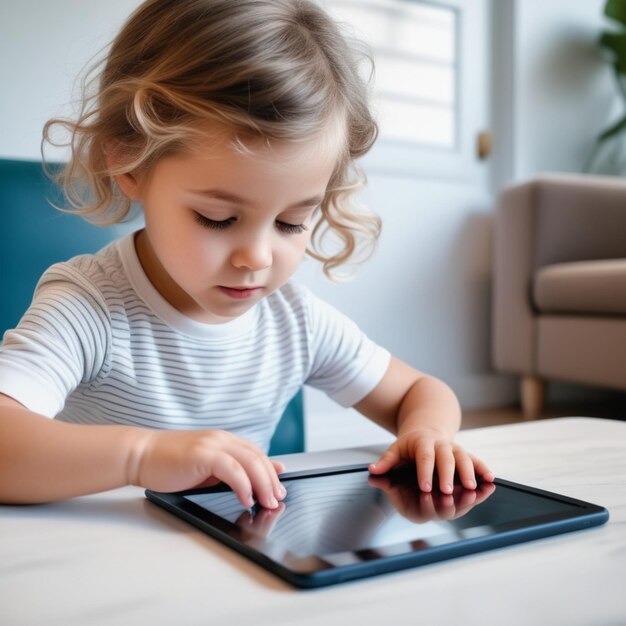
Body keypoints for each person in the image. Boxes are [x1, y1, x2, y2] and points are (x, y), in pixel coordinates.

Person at [0, 0, 493, 508]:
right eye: (217, 218)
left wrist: (429, 434)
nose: (256, 257)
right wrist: (140, 455)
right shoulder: (88, 309)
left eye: (291, 222)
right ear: (128, 158)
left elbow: (421, 392)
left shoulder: (294, 321)